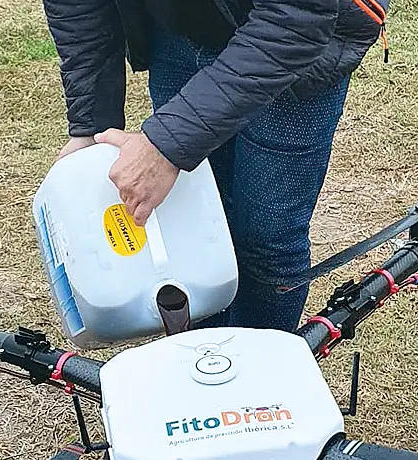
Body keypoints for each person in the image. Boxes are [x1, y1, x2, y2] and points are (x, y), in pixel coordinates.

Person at [42, 0, 389, 332]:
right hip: (180, 26)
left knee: (267, 240)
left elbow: (297, 15)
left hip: (298, 36)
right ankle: (204, 365)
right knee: (195, 228)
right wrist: (92, 123)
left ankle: (260, 376)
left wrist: (168, 144)